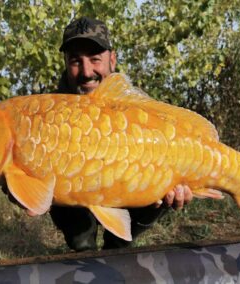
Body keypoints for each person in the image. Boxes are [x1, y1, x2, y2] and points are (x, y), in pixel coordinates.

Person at [50, 17, 193, 251]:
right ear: (66, 63)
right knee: (80, 241)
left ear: (112, 60)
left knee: (160, 183)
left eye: (95, 59)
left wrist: (178, 186)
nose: (87, 72)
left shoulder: (138, 107)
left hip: (129, 185)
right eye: (76, 61)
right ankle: (83, 247)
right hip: (78, 191)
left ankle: (119, 242)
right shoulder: (50, 111)